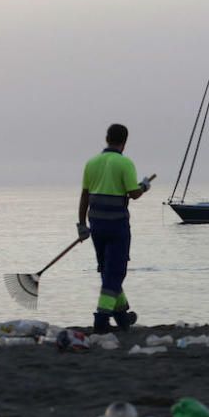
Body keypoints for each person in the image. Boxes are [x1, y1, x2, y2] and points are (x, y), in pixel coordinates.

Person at [78, 123, 151, 331]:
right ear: (124, 142)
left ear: (107, 138)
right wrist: (144, 185)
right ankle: (101, 318)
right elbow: (134, 193)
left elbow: (84, 195)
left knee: (107, 270)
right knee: (116, 272)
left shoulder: (91, 163)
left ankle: (121, 316)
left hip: (96, 224)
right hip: (117, 224)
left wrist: (81, 224)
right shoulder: (124, 163)